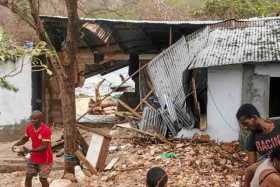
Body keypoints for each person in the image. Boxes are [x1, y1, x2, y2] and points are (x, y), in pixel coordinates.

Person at [236, 104, 280, 187]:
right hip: (268, 165)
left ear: (254, 117)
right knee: (268, 178)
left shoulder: (278, 125)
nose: (245, 127)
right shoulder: (251, 138)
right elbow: (252, 165)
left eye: (245, 123)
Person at [12, 111, 53, 187]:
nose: (32, 121)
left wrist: (30, 150)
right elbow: (25, 138)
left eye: (35, 119)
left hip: (45, 159)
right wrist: (16, 144)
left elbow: (44, 147)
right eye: (31, 119)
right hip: (34, 156)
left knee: (42, 179)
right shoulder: (30, 127)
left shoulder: (46, 130)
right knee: (28, 176)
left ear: (40, 119)